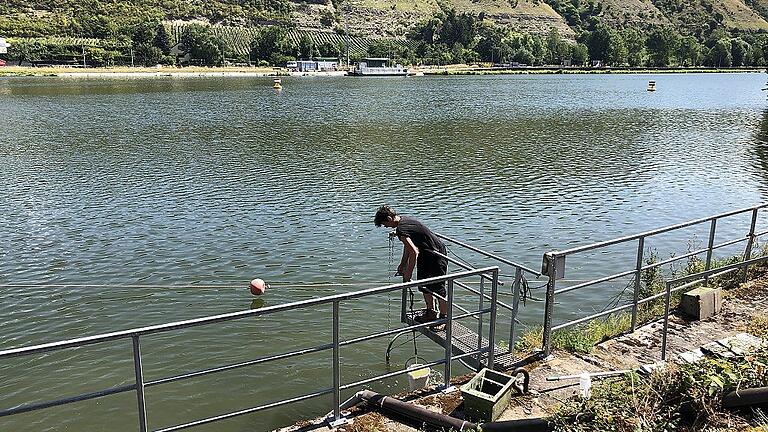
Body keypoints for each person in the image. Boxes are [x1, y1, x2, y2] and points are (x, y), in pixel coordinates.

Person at [374, 205, 448, 324]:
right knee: (423, 285)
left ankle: (444, 320)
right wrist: (403, 264)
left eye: (385, 224)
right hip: (426, 254)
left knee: (438, 288)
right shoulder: (404, 221)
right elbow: (409, 248)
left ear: (389, 218)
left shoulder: (401, 229)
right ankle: (431, 312)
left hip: (436, 255)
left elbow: (414, 251)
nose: (386, 227)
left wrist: (408, 274)